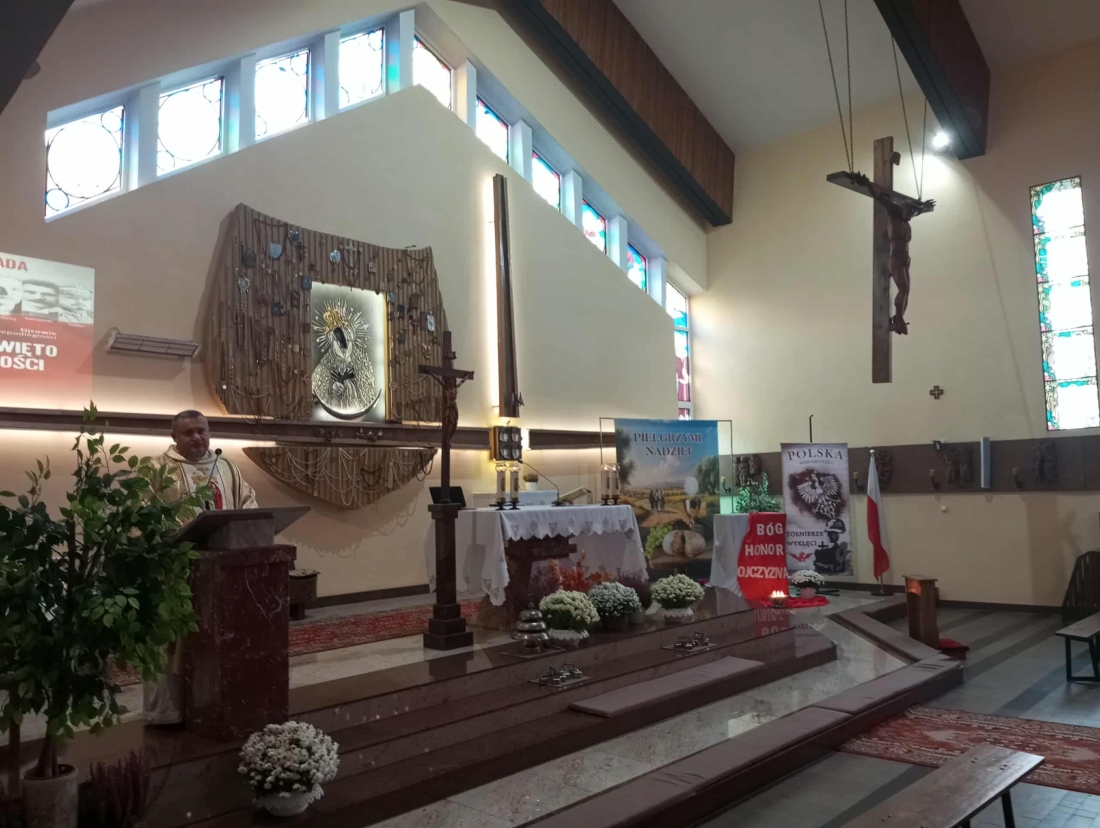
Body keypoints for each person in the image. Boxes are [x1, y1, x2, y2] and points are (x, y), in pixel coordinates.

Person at [144, 410, 258, 726]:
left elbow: (247, 503)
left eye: (202, 431)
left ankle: (218, 705)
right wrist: (174, 535)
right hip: (174, 572)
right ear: (174, 437)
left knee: (221, 638)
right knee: (170, 642)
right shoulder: (156, 469)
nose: (197, 437)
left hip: (222, 571)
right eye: (188, 432)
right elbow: (141, 515)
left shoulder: (226, 467)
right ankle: (167, 713)